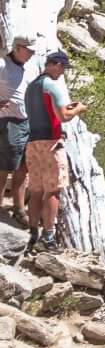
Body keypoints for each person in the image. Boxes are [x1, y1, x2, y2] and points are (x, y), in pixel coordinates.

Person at [23, 47, 82, 252]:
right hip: (51, 142)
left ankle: (32, 233)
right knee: (53, 190)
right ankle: (48, 237)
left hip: (32, 142)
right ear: (55, 65)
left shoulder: (32, 87)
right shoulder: (52, 85)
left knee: (36, 189)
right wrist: (79, 109)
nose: (63, 72)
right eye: (63, 67)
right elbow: (63, 116)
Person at [0, 32, 34, 231]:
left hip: (25, 122)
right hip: (8, 122)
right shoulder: (3, 65)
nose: (30, 54)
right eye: (28, 50)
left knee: (23, 167)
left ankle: (19, 208)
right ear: (18, 47)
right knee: (5, 166)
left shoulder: (26, 68)